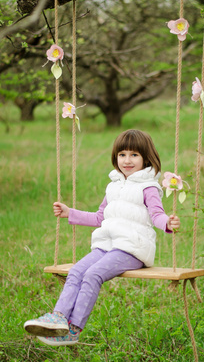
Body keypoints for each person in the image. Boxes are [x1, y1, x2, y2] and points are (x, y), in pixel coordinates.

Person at [24, 129, 180, 346]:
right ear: (116, 157)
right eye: (122, 154)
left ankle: (74, 329)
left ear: (146, 158)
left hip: (132, 248)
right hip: (107, 244)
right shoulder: (113, 186)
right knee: (78, 271)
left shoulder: (148, 187)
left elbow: (156, 215)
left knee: (93, 274)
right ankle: (58, 317)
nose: (127, 160)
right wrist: (71, 213)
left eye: (134, 155)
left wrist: (168, 223)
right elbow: (100, 217)